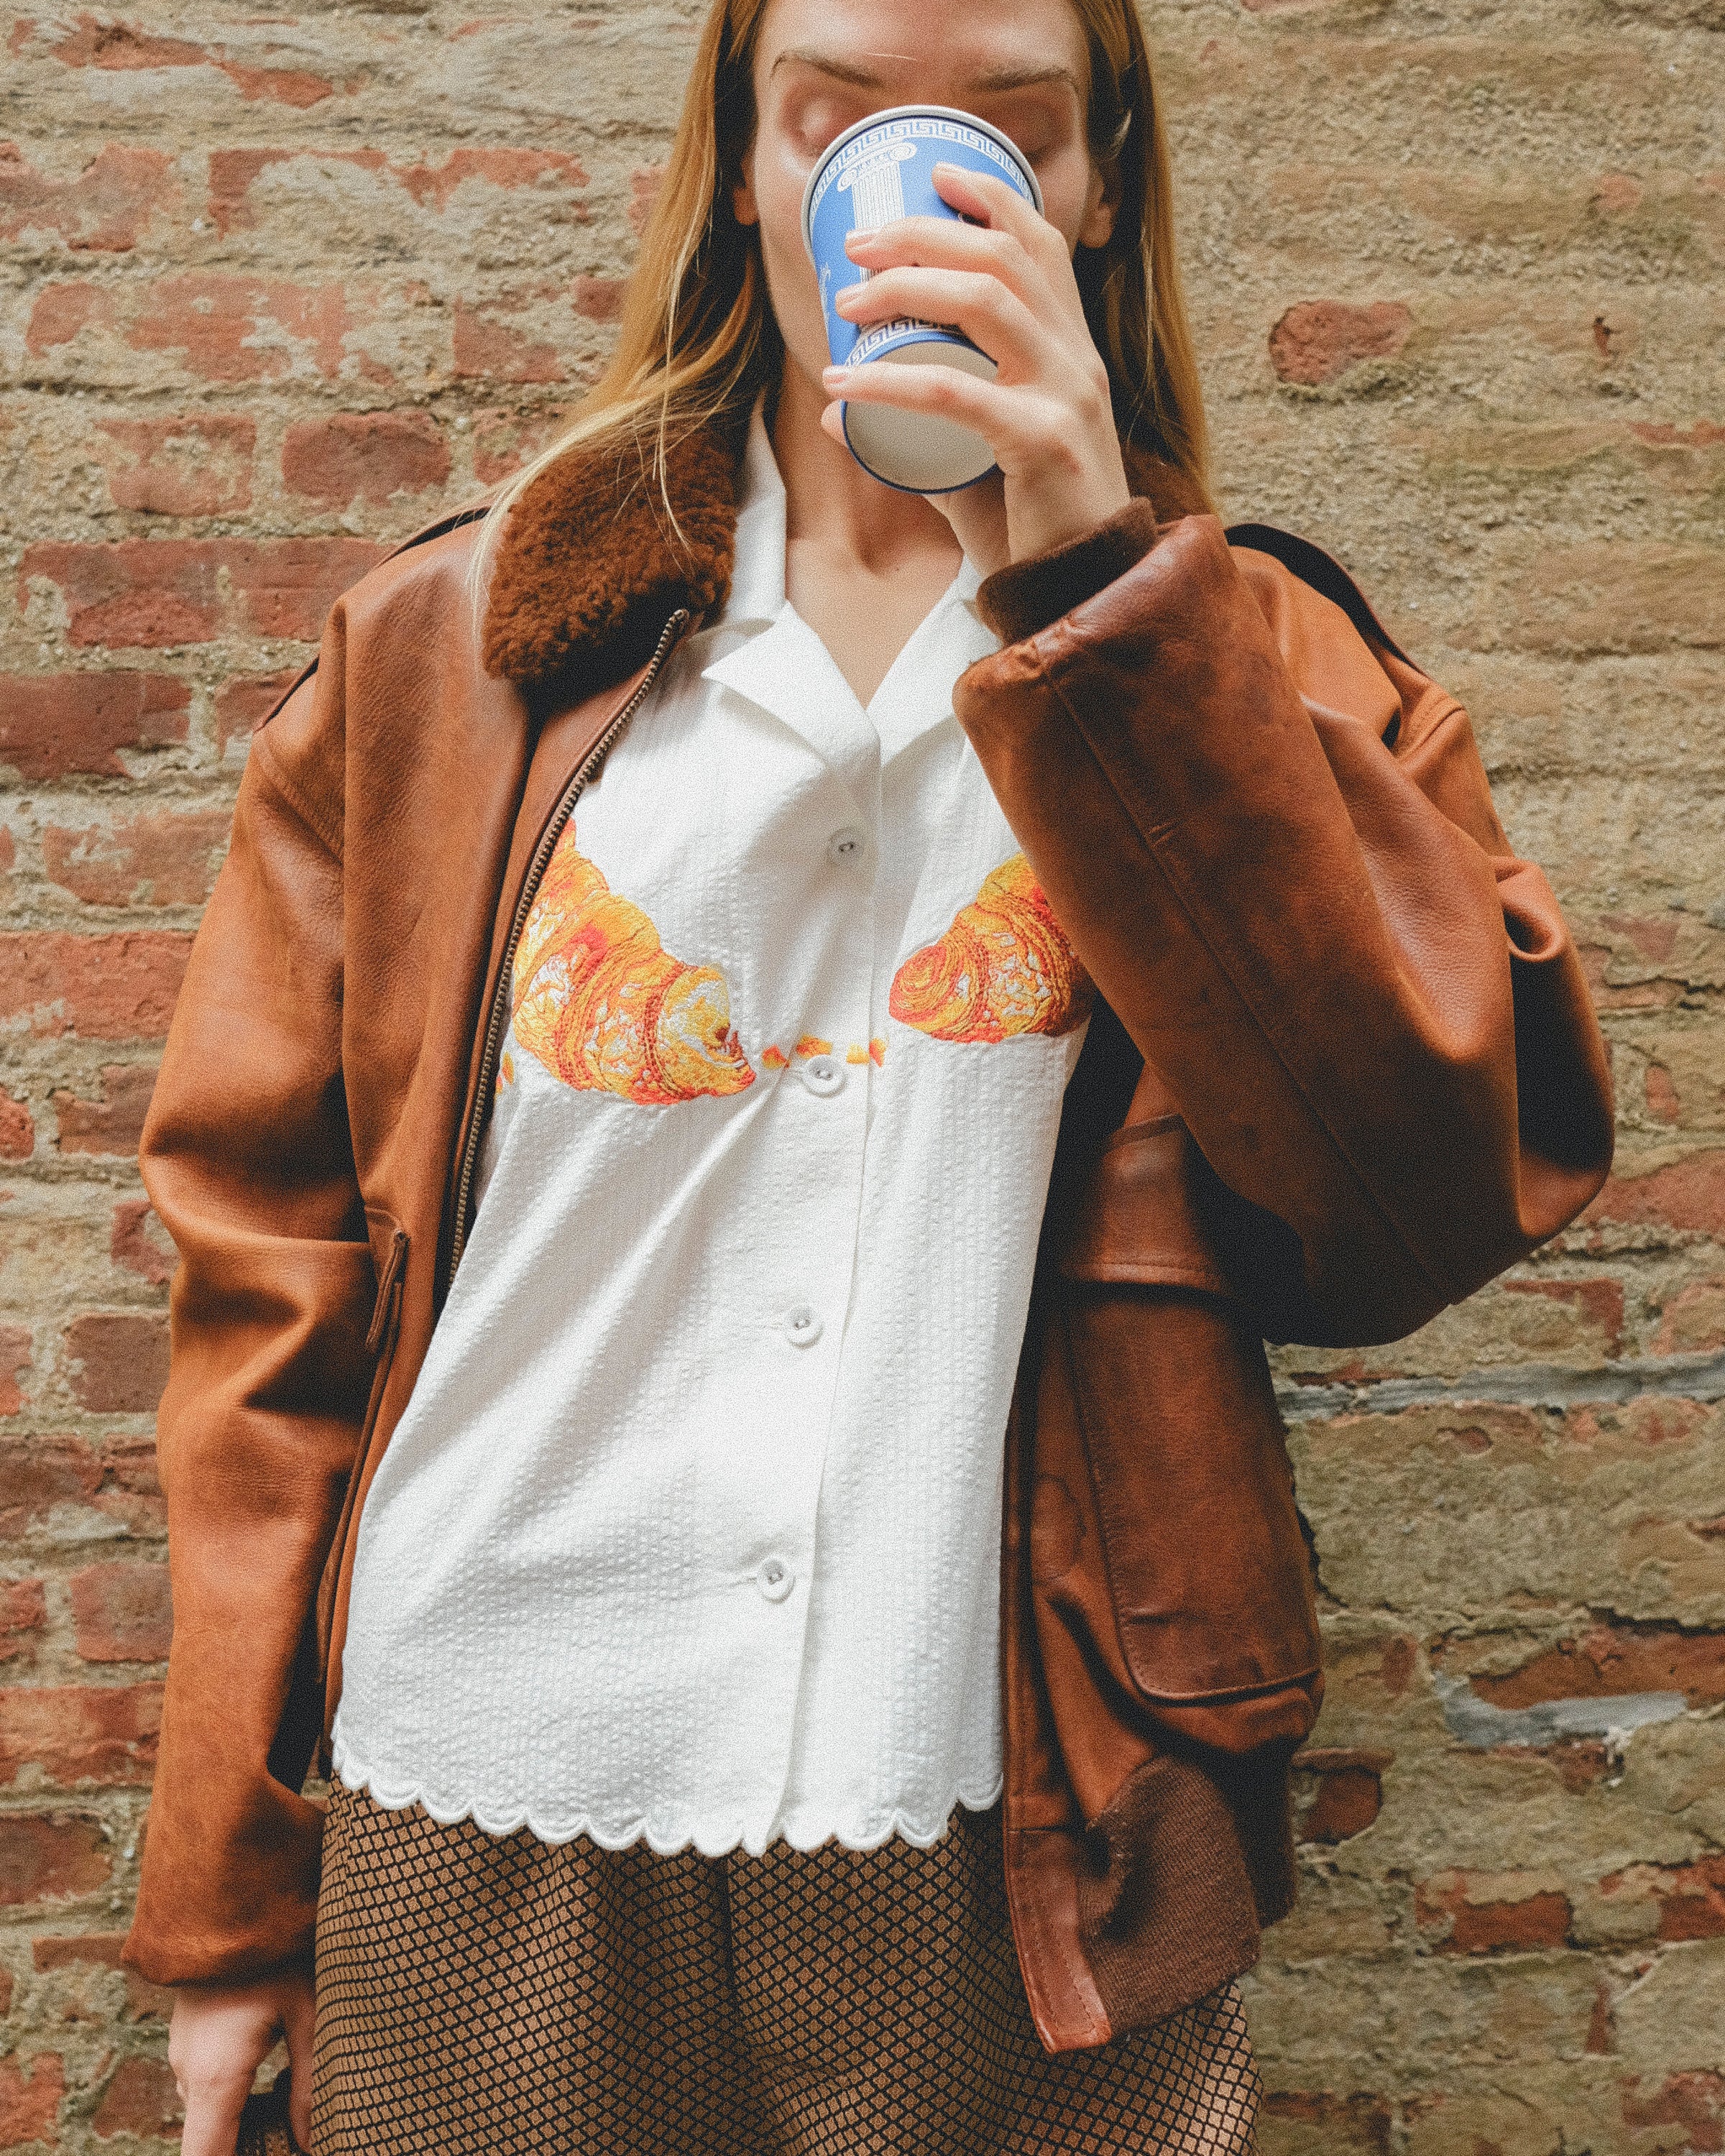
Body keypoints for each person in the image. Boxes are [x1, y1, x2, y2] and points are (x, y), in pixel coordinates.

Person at [127, 0, 1616, 2149]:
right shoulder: (451, 655)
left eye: (1009, 123)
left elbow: (1418, 1203)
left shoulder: (1254, 662)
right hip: (487, 1785)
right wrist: (230, 1896)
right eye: (832, 113)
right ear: (745, 169)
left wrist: (1098, 590)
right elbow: (274, 1290)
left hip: (1024, 1819)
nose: (913, 187)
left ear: (1094, 191)